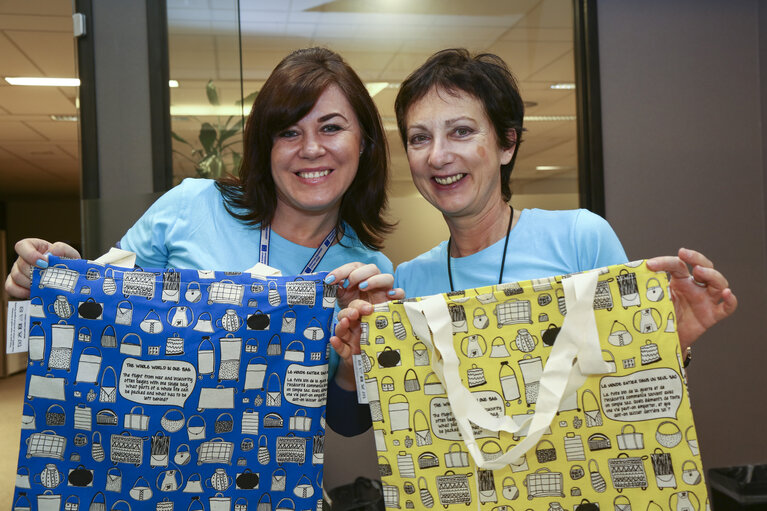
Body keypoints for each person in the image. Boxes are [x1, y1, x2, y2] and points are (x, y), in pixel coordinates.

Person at [5, 47, 405, 435]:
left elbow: (346, 423)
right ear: (266, 146)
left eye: (331, 127)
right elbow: (104, 313)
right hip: (146, 463)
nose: (311, 148)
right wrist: (60, 273)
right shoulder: (192, 205)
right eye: (288, 132)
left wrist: (357, 360)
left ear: (364, 141)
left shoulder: (368, 276)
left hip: (267, 483)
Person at [331, 48, 736, 375]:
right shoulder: (409, 281)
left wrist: (672, 343)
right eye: (420, 138)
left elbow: (631, 389)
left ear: (507, 143)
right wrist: (361, 359)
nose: (438, 156)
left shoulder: (579, 238)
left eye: (461, 132)